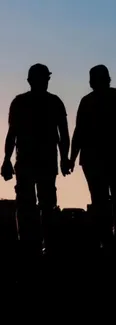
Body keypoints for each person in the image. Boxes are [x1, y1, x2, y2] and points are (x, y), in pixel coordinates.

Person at [70, 64, 116, 242]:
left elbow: (78, 134)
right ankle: (115, 238)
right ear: (109, 79)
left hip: (98, 162)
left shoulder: (87, 101)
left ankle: (107, 240)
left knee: (101, 202)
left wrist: (71, 159)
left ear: (91, 82)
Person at [1, 63, 70, 253]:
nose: (45, 82)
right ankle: (39, 245)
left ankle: (32, 245)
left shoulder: (22, 102)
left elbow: (12, 134)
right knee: (38, 205)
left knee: (32, 205)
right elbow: (63, 135)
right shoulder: (53, 102)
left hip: (32, 162)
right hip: (37, 162)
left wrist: (7, 160)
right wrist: (64, 158)